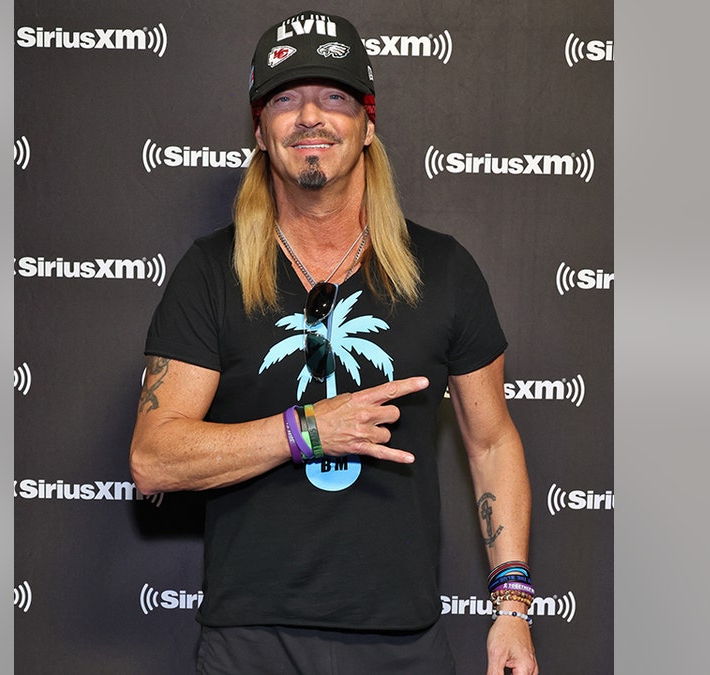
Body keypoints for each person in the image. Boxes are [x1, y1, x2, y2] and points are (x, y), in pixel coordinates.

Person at [130, 10, 537, 675]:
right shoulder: (212, 270)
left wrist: (513, 605)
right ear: (261, 132)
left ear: (368, 126)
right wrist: (304, 431)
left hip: (402, 641)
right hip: (249, 643)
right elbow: (154, 457)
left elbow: (491, 440)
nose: (309, 117)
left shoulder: (445, 269)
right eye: (285, 99)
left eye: (334, 98)